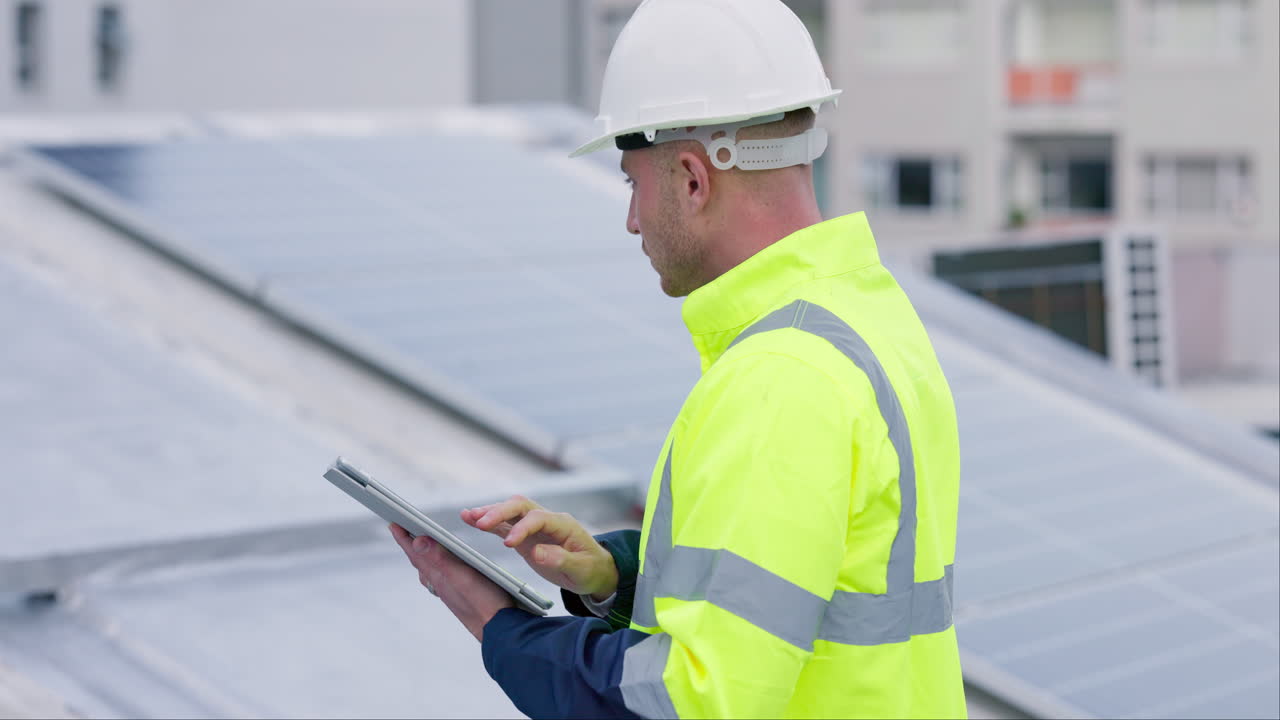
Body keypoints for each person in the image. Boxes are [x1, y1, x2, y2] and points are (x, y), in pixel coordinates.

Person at [389, 0, 966, 716]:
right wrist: (614, 576)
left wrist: (499, 628)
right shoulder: (867, 318)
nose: (632, 218)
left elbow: (692, 700)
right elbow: (805, 594)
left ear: (693, 179)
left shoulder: (780, 379)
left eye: (635, 182)